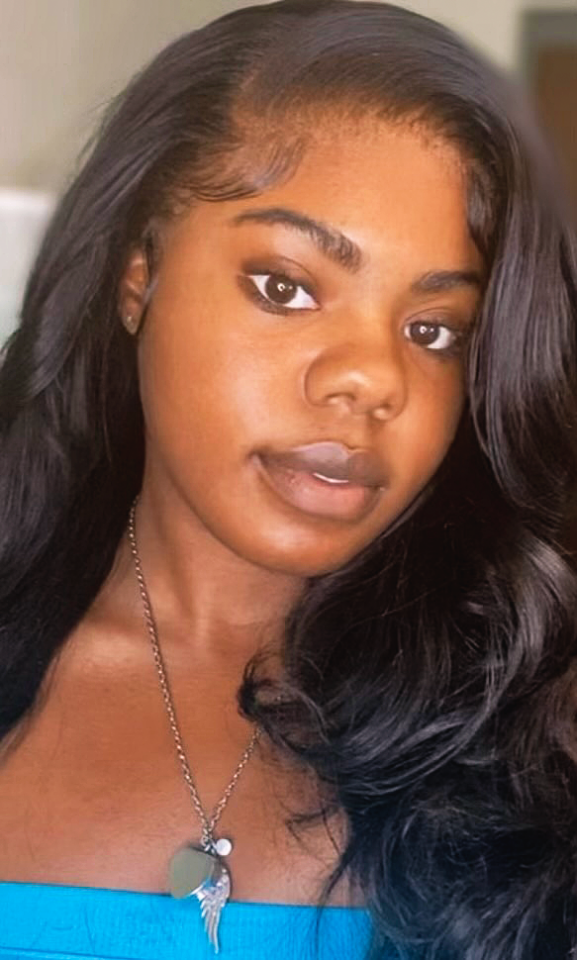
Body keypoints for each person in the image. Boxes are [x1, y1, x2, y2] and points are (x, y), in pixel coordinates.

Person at [0, 0, 576, 957]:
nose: (371, 380)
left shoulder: (529, 728)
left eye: (432, 332)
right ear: (137, 273)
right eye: (287, 285)